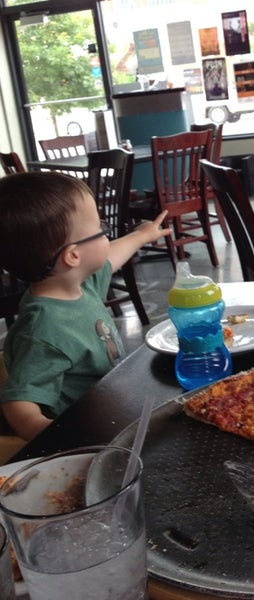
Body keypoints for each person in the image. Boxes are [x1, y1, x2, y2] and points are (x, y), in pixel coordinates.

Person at [0, 171, 172, 441]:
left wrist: (142, 235)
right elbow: (18, 402)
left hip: (112, 406)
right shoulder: (43, 329)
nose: (107, 233)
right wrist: (50, 435)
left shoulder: (80, 283)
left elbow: (112, 254)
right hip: (90, 432)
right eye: (101, 229)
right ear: (73, 256)